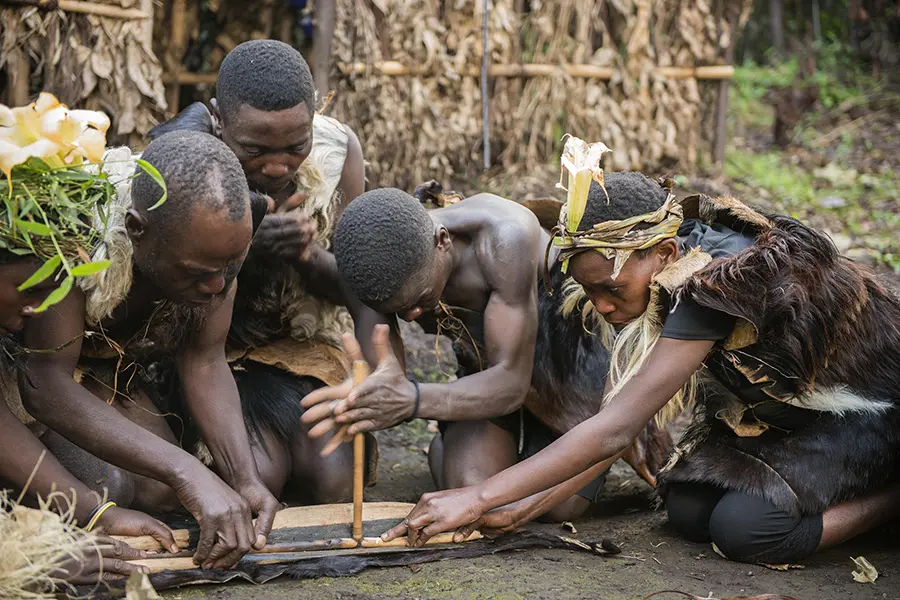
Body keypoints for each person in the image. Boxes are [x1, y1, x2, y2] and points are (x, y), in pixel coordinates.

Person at [380, 163, 900, 565]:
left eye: (609, 290)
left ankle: (890, 497)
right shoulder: (646, 268)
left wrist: (477, 498)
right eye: (589, 291)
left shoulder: (713, 284)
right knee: (688, 510)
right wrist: (520, 508)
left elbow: (612, 429)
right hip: (782, 416)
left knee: (747, 531)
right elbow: (619, 416)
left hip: (866, 414)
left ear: (666, 252)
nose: (603, 305)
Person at [301, 187, 672, 522]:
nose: (414, 316)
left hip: (563, 364)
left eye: (419, 300)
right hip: (483, 373)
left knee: (559, 508)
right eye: (399, 309)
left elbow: (511, 382)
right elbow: (388, 376)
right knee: (475, 496)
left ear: (442, 241)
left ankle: (537, 449)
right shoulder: (371, 269)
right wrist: (368, 395)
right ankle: (453, 441)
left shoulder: (504, 238)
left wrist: (413, 399)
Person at [20, 130, 280, 571]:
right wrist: (188, 470)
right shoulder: (79, 233)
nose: (217, 286)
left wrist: (244, 478)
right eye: (199, 272)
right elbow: (43, 383)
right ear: (137, 230)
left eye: (229, 268)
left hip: (109, 375)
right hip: (38, 380)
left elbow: (204, 360)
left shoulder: (217, 251)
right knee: (112, 487)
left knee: (167, 493)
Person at [150, 39, 393, 501]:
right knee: (259, 477)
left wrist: (306, 255)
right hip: (205, 354)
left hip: (301, 353)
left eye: (296, 145)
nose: (278, 165)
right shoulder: (181, 157)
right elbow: (164, 291)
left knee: (336, 483)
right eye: (255, 149)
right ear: (220, 120)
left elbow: (360, 286)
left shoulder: (338, 152)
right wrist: (244, 247)